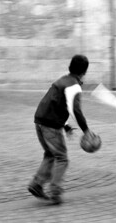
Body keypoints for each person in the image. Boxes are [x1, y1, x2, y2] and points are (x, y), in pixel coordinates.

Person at [28, 54, 96, 205]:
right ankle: (55, 190)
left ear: (70, 67)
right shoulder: (74, 85)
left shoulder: (62, 80)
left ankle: (37, 184)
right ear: (84, 71)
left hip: (39, 121)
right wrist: (86, 131)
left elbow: (56, 103)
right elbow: (75, 110)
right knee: (62, 158)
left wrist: (65, 125)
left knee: (50, 154)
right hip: (50, 125)